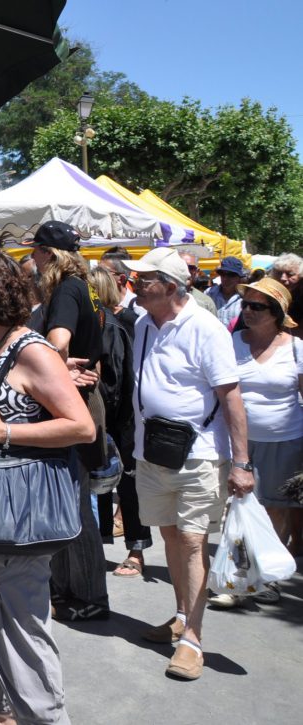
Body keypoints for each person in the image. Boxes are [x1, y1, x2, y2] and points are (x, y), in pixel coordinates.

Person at [0, 253, 95, 725]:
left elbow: (81, 426)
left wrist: (4, 433)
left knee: (22, 635)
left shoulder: (30, 349)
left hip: (14, 518)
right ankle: (4, 713)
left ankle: (46, 720)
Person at [122, 247, 253, 681]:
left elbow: (230, 396)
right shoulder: (142, 323)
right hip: (152, 452)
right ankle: (181, 615)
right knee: (170, 536)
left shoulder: (206, 328)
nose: (135, 283)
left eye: (145, 278)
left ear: (173, 287)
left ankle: (193, 640)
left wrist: (242, 463)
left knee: (193, 543)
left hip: (199, 454)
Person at [22, 220, 109, 622]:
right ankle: (73, 589)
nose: (32, 260)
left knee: (73, 504)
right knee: (73, 500)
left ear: (50, 255)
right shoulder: (86, 286)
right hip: (82, 400)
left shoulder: (66, 290)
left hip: (70, 405)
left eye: (36, 252)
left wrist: (55, 370)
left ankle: (89, 594)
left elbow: (57, 341)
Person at [209, 278, 303, 600]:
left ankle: (265, 576)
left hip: (285, 440)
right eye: (245, 304)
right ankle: (236, 580)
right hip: (237, 442)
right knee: (236, 506)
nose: (247, 311)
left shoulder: (296, 347)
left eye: (257, 306)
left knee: (274, 509)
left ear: (276, 312)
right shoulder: (231, 342)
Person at [88, 267, 152, 578]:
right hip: (116, 414)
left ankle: (136, 550)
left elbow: (112, 379)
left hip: (123, 415)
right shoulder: (102, 321)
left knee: (126, 483)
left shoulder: (119, 322)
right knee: (101, 480)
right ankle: (102, 545)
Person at [206, 255, 244, 330]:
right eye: (223, 274)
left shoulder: (244, 299)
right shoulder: (209, 293)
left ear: (239, 278)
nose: (226, 278)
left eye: (231, 275)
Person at [178, 251, 218, 317]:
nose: (186, 271)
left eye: (191, 268)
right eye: (181, 266)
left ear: (197, 272)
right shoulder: (162, 297)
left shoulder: (206, 303)